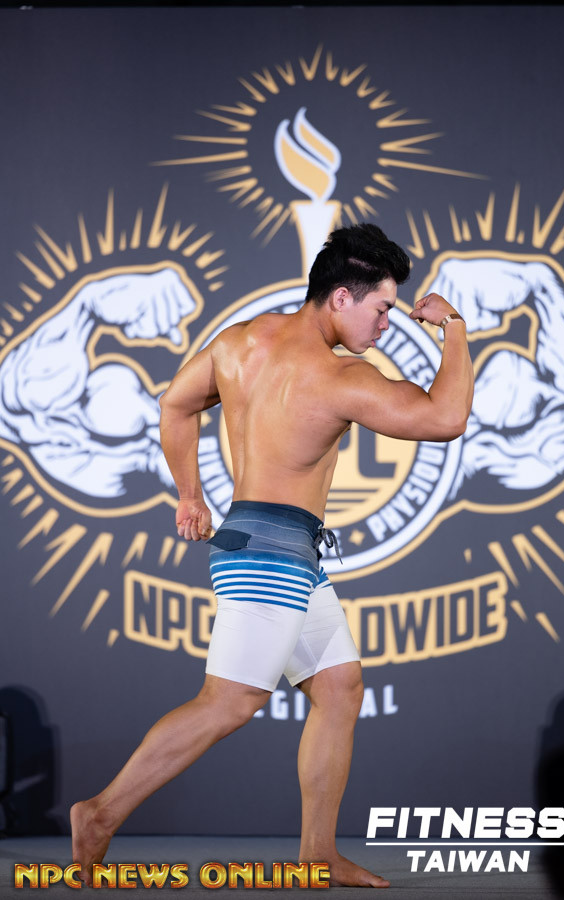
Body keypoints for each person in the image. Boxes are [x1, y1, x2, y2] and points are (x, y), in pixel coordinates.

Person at [71, 223, 474, 887]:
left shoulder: (239, 342)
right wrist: (453, 328)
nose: (388, 323)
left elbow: (175, 404)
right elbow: (445, 417)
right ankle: (100, 813)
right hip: (273, 558)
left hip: (265, 544)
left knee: (339, 689)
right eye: (381, 308)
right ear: (340, 298)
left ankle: (318, 853)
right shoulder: (341, 376)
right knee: (227, 703)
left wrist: (191, 495)